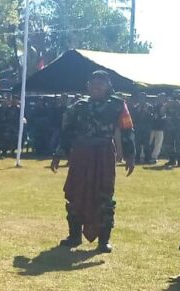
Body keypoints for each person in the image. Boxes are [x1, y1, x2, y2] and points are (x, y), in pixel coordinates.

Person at [52, 71, 136, 253]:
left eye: (101, 84)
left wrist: (130, 155)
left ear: (108, 86)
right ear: (88, 86)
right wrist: (59, 154)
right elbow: (67, 132)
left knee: (104, 194)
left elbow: (127, 129)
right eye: (93, 84)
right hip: (81, 154)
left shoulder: (117, 105)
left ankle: (103, 240)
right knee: (75, 193)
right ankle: (74, 236)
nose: (96, 87)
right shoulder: (78, 106)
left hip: (103, 154)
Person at [129, 92, 154, 164]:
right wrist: (138, 111)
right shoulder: (136, 107)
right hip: (138, 126)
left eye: (143, 97)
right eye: (140, 97)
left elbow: (153, 117)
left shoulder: (150, 107)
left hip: (147, 127)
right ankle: (137, 159)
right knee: (137, 144)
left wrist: (147, 112)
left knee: (147, 144)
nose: (141, 99)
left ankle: (147, 159)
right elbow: (132, 117)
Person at [163, 92, 180, 168]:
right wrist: (166, 105)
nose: (178, 99)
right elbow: (161, 112)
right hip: (170, 126)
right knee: (170, 144)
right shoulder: (169, 104)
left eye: (179, 97)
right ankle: (172, 160)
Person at [149, 94, 168, 164]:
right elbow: (152, 116)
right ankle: (146, 156)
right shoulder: (154, 106)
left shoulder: (166, 107)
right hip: (153, 127)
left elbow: (165, 117)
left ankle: (154, 157)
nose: (161, 99)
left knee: (158, 144)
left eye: (163, 98)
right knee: (149, 142)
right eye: (160, 97)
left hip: (161, 128)